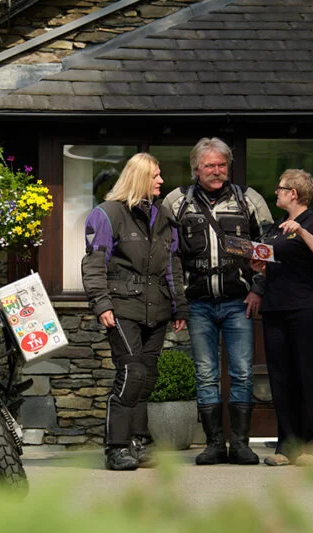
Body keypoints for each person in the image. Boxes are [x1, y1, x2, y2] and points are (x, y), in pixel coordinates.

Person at [163, 138, 273, 466]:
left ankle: (240, 444)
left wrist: (258, 289)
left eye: (221, 165)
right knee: (205, 373)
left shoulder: (248, 199)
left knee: (241, 373)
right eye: (209, 166)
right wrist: (177, 301)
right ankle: (213, 444)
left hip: (240, 301)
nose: (216, 171)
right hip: (198, 304)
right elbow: (168, 255)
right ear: (196, 168)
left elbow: (268, 247)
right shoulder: (176, 201)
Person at [81, 152, 188, 471]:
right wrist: (101, 303)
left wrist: (179, 305)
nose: (161, 181)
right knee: (132, 372)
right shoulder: (106, 214)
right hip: (122, 305)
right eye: (156, 176)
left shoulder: (164, 216)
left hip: (157, 307)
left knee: (148, 375)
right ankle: (116, 447)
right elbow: (94, 264)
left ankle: (139, 442)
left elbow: (173, 264)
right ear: (140, 177)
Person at [250, 169, 313, 467]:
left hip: (304, 311)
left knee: (308, 377)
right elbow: (275, 263)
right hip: (275, 309)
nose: (277, 193)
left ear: (293, 194)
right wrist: (259, 265)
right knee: (281, 379)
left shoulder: (312, 222)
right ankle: (287, 446)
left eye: (280, 189)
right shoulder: (275, 227)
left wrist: (300, 231)